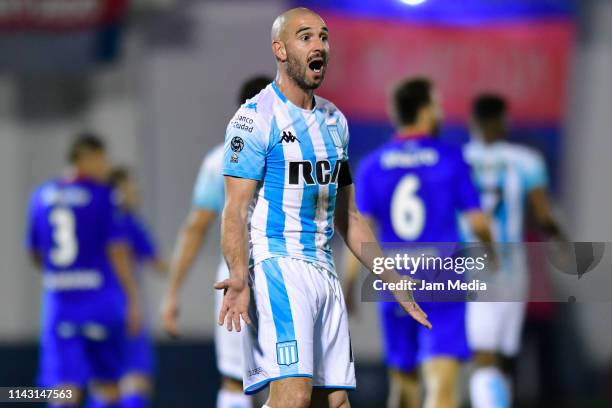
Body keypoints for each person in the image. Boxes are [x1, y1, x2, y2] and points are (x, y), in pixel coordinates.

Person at [214, 8, 430, 408]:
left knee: (337, 403)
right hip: (278, 265)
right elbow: (235, 210)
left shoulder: (335, 122)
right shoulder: (254, 119)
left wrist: (392, 278)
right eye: (306, 37)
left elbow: (348, 217)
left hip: (323, 271)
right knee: (293, 395)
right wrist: (239, 278)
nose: (319, 46)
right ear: (280, 50)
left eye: (324, 37)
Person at [343, 77, 493, 408]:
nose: (440, 112)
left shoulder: (371, 165)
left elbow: (360, 230)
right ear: (424, 110)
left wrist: (349, 283)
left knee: (403, 385)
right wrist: (493, 255)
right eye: (437, 105)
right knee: (440, 385)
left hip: (395, 281)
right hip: (442, 279)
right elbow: (478, 221)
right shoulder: (450, 158)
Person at [160, 75, 271, 408]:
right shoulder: (300, 153)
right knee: (296, 376)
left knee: (236, 380)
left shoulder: (220, 158)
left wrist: (172, 293)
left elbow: (196, 228)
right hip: (287, 268)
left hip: (237, 273)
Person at [464, 94, 565, 408]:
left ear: (475, 121)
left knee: (485, 356)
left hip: (472, 267)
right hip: (512, 270)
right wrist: (561, 238)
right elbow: (543, 214)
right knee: (505, 356)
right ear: (503, 120)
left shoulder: (460, 158)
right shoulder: (526, 160)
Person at [25, 134, 140, 408]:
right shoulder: (104, 195)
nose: (106, 166)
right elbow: (117, 251)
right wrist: (132, 299)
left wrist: (61, 276)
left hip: (60, 302)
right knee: (108, 383)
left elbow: (35, 252)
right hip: (101, 300)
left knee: (64, 387)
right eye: (103, 159)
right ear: (86, 159)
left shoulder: (40, 196)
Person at [108, 167, 167, 408]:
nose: (136, 192)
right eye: (131, 187)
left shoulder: (94, 220)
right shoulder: (125, 221)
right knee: (136, 380)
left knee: (105, 384)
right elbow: (158, 263)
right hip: (122, 308)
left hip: (92, 307)